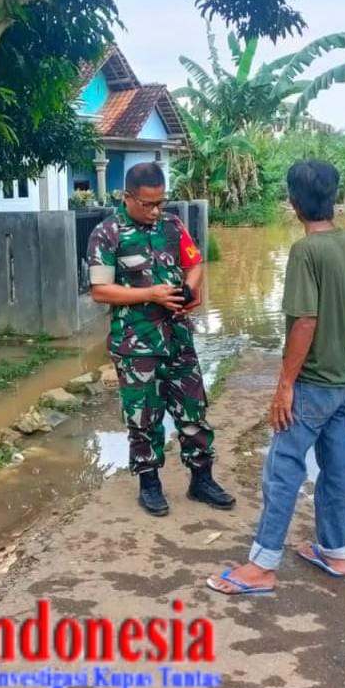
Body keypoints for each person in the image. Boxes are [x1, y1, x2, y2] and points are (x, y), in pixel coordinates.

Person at [208, 160, 345, 595]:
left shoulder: (306, 251)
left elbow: (304, 320)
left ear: (294, 203)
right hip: (341, 383)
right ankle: (335, 552)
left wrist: (284, 385)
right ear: (334, 197)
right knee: (337, 469)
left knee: (282, 470)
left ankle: (262, 566)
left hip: (311, 385)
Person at [87, 162, 235, 516]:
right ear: (128, 198)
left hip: (179, 338)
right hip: (135, 344)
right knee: (143, 416)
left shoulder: (172, 225)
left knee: (194, 409)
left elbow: (195, 263)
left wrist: (190, 290)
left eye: (161, 203)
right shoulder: (107, 233)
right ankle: (149, 484)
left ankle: (202, 479)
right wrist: (150, 294)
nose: (155, 211)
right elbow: (100, 291)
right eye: (147, 204)